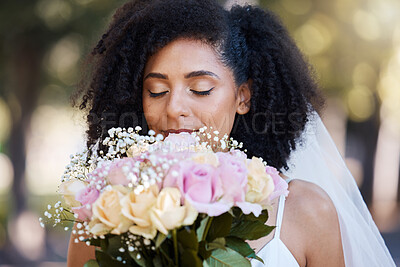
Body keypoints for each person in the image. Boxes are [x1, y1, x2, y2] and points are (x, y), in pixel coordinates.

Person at [68, 0, 395, 266]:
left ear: (242, 97)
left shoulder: (306, 210)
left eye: (200, 88)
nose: (173, 108)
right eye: (156, 90)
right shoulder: (106, 209)